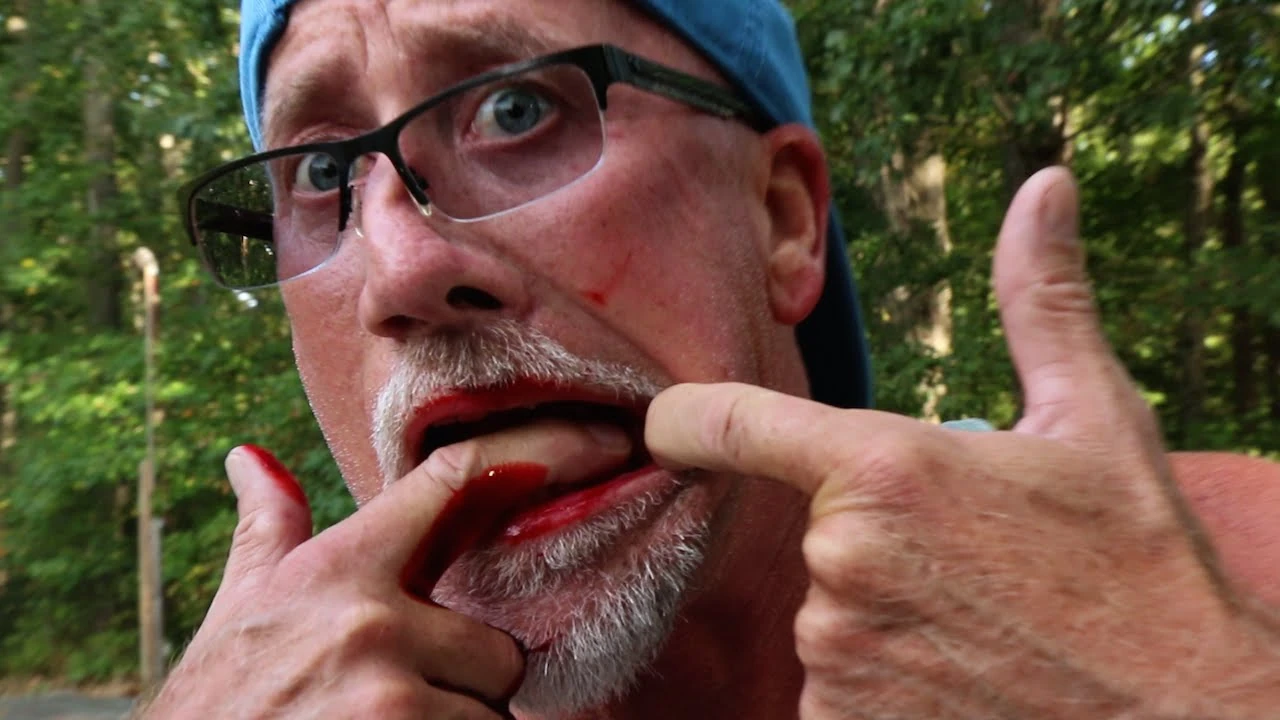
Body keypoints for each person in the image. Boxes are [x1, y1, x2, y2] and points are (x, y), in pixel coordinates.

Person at [149, 0, 1280, 717]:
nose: (399, 272)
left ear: (783, 219)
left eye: (515, 109)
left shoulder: (1229, 582)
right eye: (321, 175)